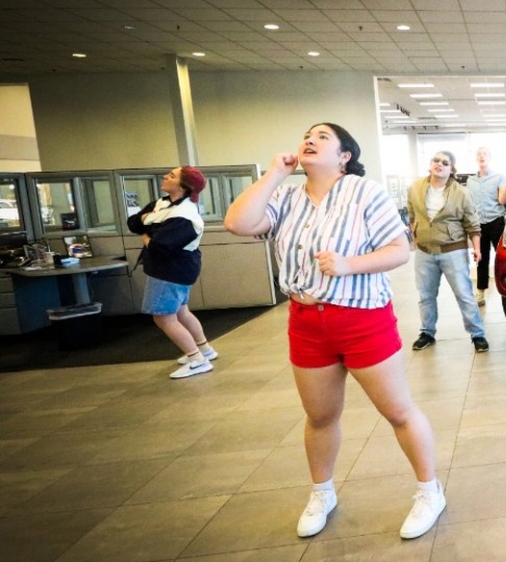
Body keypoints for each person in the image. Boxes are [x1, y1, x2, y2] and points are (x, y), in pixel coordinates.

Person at [223, 122, 446, 539]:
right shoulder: (287, 197)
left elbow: (399, 249)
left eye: (323, 137)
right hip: (307, 321)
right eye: (307, 135)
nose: (310, 140)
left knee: (397, 411)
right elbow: (237, 223)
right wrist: (274, 174)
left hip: (362, 317)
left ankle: (429, 490)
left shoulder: (364, 191)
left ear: (345, 156)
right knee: (320, 416)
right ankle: (322, 492)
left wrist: (348, 264)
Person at [127, 166, 217, 379]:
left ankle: (196, 360)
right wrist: (147, 228)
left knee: (163, 317)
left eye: (172, 175)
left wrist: (148, 237)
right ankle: (204, 350)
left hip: (169, 272)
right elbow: (134, 223)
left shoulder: (184, 215)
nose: (165, 177)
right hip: (173, 269)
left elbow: (161, 246)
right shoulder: (161, 203)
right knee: (181, 312)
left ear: (184, 186)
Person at [407, 151, 489, 353]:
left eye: (445, 162)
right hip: (424, 252)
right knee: (425, 295)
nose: (440, 164)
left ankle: (477, 334)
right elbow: (411, 216)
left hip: (453, 251)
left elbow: (472, 224)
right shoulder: (416, 187)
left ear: (452, 169)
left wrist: (477, 249)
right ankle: (427, 332)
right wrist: (417, 240)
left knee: (464, 294)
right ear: (430, 164)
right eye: (436, 160)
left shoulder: (461, 192)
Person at [466, 147, 506, 306]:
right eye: (479, 154)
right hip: (478, 224)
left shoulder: (498, 177)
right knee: (481, 258)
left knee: (503, 257)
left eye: (485, 154)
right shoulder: (470, 181)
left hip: (496, 221)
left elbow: (502, 200)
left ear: (490, 158)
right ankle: (480, 292)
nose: (482, 156)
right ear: (476, 158)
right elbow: (468, 203)